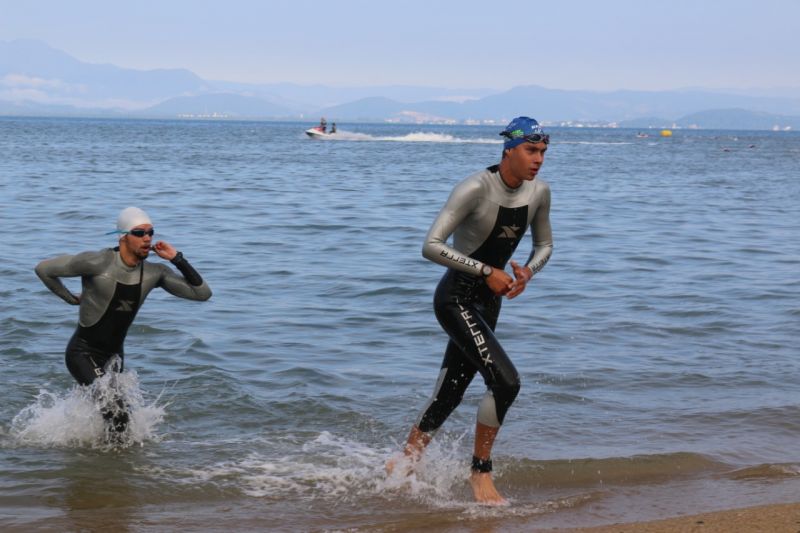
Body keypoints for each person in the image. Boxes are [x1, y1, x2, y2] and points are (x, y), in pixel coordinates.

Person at [388, 116, 553, 504]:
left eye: (543, 152)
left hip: (489, 302)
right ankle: (480, 473)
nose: (539, 160)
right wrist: (485, 270)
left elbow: (545, 244)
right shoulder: (475, 187)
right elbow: (431, 245)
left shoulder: (540, 192)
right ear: (509, 150)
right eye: (531, 150)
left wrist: (527, 270)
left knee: (452, 389)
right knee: (506, 382)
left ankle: (404, 461)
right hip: (455, 298)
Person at [35, 207, 212, 440]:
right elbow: (44, 269)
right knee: (119, 415)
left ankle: (90, 459)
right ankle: (111, 472)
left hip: (114, 357)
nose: (147, 238)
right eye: (139, 233)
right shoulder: (97, 261)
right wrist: (70, 299)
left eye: (150, 232)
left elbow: (202, 294)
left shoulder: (155, 273)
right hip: (82, 352)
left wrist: (178, 259)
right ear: (123, 236)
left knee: (112, 415)